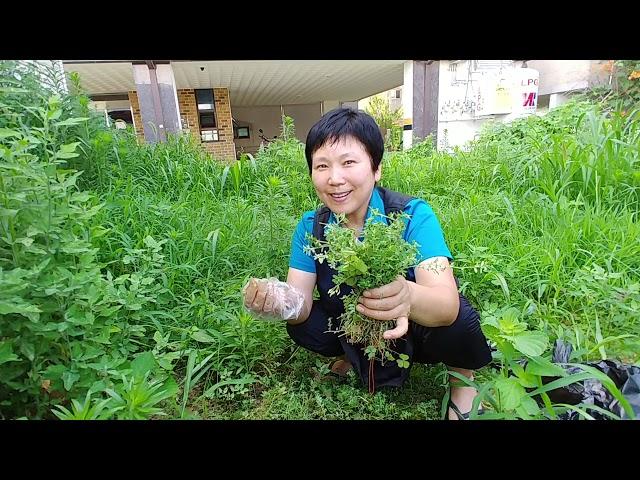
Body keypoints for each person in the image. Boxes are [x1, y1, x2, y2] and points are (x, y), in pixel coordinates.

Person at [242, 108, 492, 420]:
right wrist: (278, 301)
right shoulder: (311, 226)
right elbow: (301, 304)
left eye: (348, 162)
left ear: (376, 169)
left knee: (459, 320)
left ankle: (462, 379)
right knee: (304, 325)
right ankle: (354, 354)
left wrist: (407, 297)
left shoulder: (412, 214)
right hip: (355, 321)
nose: (335, 179)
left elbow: (445, 303)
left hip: (416, 329)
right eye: (322, 166)